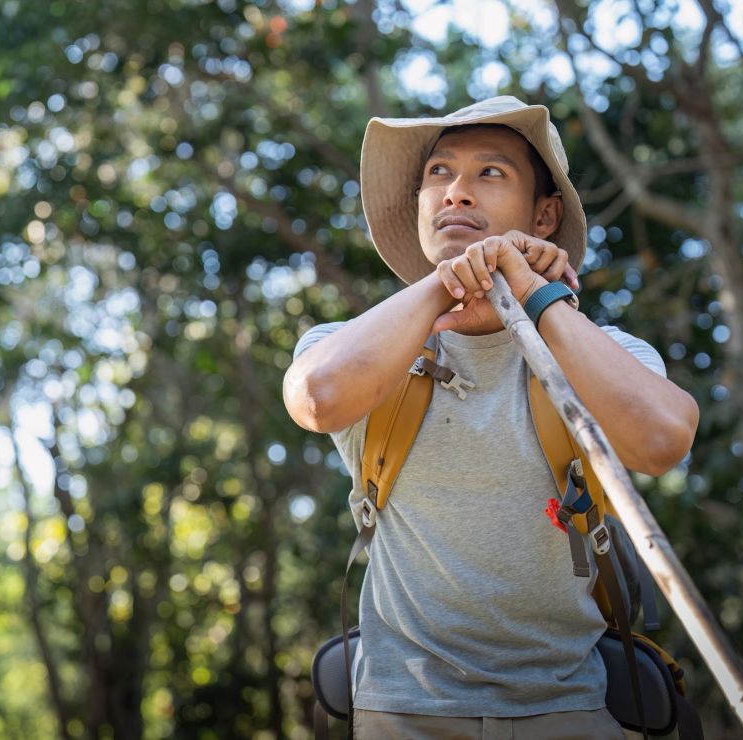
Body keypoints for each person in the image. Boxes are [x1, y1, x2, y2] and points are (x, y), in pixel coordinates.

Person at [282, 96, 699, 739]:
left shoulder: (601, 353)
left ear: (545, 214)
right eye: (439, 175)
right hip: (402, 708)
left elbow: (662, 440)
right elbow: (318, 398)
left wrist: (538, 295)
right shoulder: (354, 343)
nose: (456, 193)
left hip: (569, 706)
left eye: (490, 174)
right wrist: (448, 281)